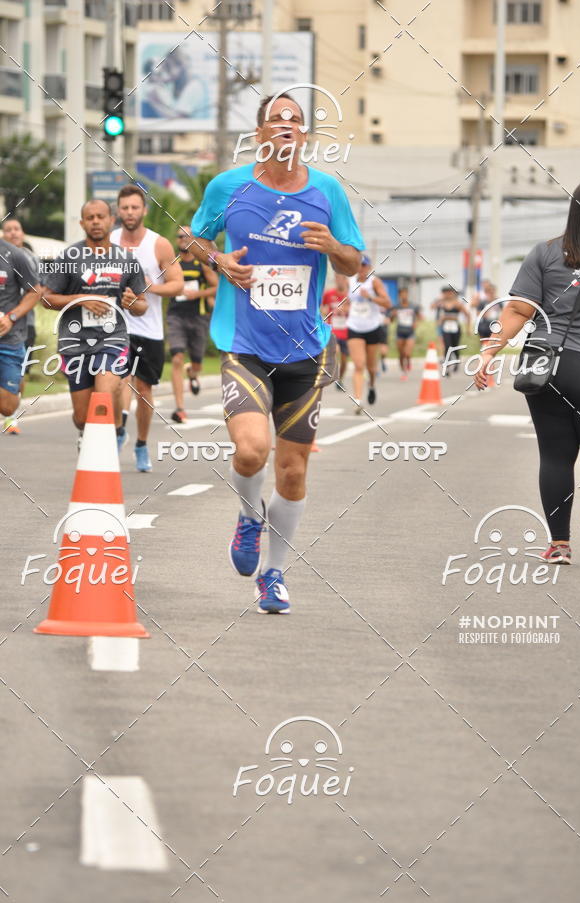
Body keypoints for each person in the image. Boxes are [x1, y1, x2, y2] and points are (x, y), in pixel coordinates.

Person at [190, 91, 364, 613]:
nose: (286, 126)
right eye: (276, 119)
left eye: (295, 120)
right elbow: (191, 238)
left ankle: (274, 572)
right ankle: (248, 517)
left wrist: (333, 247)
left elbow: (354, 263)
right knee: (250, 452)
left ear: (304, 136)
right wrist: (220, 259)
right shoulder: (229, 186)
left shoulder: (328, 191)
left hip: (306, 352)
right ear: (261, 133)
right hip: (244, 345)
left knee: (292, 472)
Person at [475, 179, 580, 565]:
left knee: (555, 455)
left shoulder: (545, 253)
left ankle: (559, 545)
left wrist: (488, 351)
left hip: (547, 368)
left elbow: (517, 311)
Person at [42, 199, 147, 444]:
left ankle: (112, 434)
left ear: (112, 220)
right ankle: (112, 426)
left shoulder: (126, 259)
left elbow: (142, 305)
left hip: (112, 339)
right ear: (82, 223)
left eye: (101, 216)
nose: (96, 222)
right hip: (75, 342)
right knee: (81, 417)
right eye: (90, 218)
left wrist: (133, 303)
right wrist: (80, 299)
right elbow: (46, 299)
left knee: (103, 395)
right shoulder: (70, 256)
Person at [112, 184, 184, 472]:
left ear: (144, 210)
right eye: (125, 208)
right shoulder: (109, 240)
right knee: (117, 382)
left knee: (143, 389)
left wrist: (149, 287)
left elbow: (177, 283)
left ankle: (141, 443)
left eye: (134, 207)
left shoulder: (159, 244)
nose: (129, 213)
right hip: (115, 326)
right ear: (118, 211)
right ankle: (118, 432)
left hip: (149, 327)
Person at [167, 225, 217, 423]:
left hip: (198, 316)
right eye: (180, 236)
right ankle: (180, 408)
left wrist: (198, 294)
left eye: (188, 236)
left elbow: (216, 286)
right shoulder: (172, 264)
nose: (184, 240)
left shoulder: (201, 263)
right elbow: (162, 283)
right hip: (176, 316)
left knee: (197, 362)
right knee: (177, 357)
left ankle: (193, 373)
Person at [1, 217, 40, 433]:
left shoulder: (18, 257)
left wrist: (11, 317)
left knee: (8, 404)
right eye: (10, 229)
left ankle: (12, 416)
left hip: (15, 332)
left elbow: (37, 291)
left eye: (17, 229)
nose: (14, 233)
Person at [346, 255, 391, 413]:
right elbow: (346, 300)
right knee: (359, 365)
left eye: (364, 266)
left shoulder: (374, 282)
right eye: (359, 265)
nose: (361, 269)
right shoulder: (350, 281)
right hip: (354, 327)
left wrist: (370, 297)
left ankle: (371, 384)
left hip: (372, 327)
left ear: (369, 267)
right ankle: (357, 400)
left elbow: (387, 303)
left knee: (371, 367)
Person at [433, 285, 470, 377]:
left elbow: (467, 315)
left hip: (455, 328)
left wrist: (468, 328)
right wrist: (439, 300)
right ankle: (447, 368)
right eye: (445, 293)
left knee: (455, 347)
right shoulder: (441, 303)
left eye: (449, 293)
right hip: (446, 328)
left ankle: (457, 360)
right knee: (447, 347)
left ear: (453, 293)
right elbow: (432, 307)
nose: (447, 295)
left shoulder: (457, 304)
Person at [320, 273, 349, 389]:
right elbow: (321, 307)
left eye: (341, 278)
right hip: (333, 330)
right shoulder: (329, 294)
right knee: (336, 350)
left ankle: (340, 379)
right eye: (337, 278)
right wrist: (325, 311)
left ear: (345, 279)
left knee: (345, 359)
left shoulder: (350, 295)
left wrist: (345, 310)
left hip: (346, 331)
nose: (339, 281)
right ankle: (334, 375)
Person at [394, 286, 422, 380]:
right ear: (399, 295)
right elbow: (391, 319)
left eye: (405, 293)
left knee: (407, 352)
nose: (404, 295)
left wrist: (416, 323)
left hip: (410, 332)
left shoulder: (413, 306)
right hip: (400, 332)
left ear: (407, 294)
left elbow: (420, 317)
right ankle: (403, 371)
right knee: (401, 353)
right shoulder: (397, 306)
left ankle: (408, 361)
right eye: (402, 293)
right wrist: (392, 315)